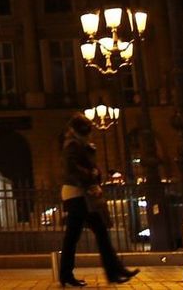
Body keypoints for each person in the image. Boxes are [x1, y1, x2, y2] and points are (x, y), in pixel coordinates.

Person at [58, 114, 138, 287]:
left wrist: (95, 173)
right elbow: (72, 169)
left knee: (80, 235)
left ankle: (113, 271)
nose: (88, 134)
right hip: (77, 194)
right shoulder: (72, 145)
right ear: (77, 131)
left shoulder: (81, 145)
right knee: (87, 234)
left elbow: (92, 167)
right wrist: (91, 176)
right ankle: (113, 271)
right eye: (86, 131)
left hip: (81, 194)